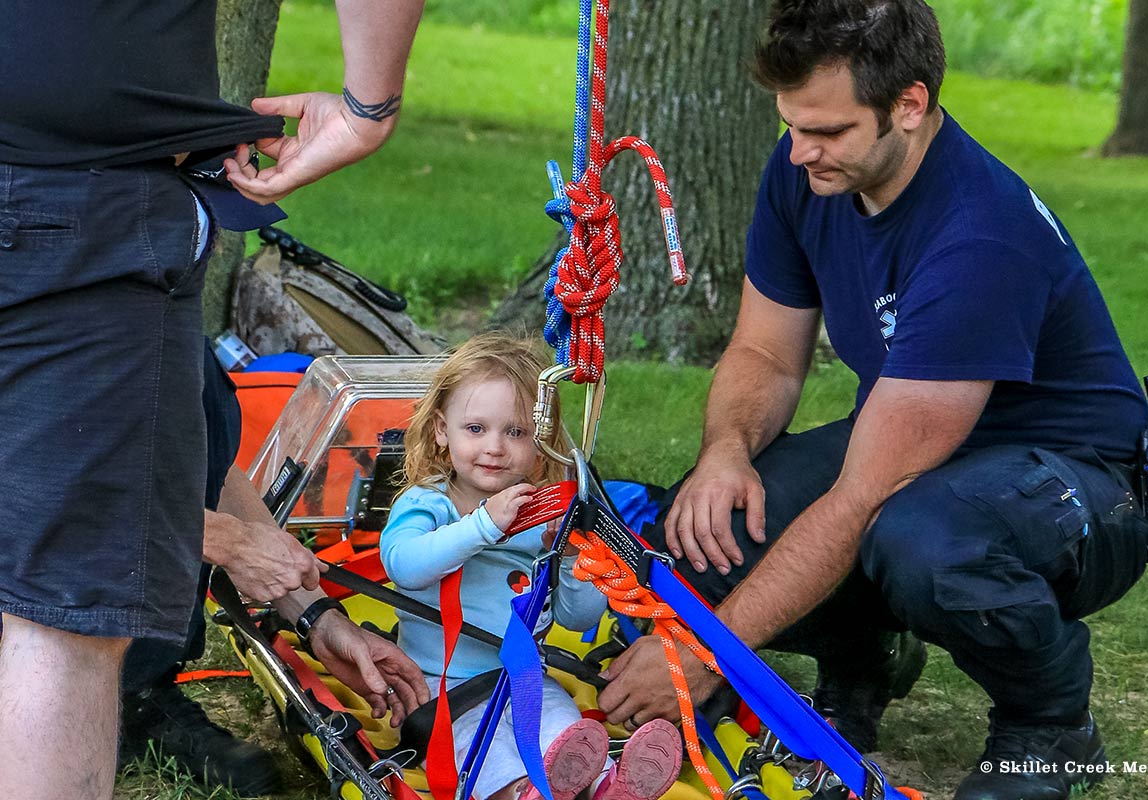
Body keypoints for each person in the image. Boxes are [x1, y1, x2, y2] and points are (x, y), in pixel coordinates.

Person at [595, 3, 1148, 799]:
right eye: (791, 125)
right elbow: (763, 353)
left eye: (826, 131)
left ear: (911, 106)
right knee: (706, 527)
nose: (799, 151)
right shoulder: (805, 171)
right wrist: (724, 453)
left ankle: (1051, 725)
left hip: (1080, 484)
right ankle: (864, 657)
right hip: (917, 450)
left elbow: (863, 498)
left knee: (920, 541)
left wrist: (702, 655)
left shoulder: (980, 235)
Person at [0, 2, 426, 796]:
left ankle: (140, 688)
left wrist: (315, 614)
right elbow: (61, 507)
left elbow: (167, 453)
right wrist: (368, 109)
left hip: (71, 196)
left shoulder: (143, 354)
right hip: (71, 190)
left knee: (202, 410)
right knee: (63, 617)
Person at [379, 333, 683, 800]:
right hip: (446, 693)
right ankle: (525, 793)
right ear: (442, 430)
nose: (496, 448)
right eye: (476, 429)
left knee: (570, 741)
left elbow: (577, 618)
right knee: (491, 759)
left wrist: (569, 557)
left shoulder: (541, 513)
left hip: (525, 678)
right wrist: (483, 525)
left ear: (541, 444)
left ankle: (609, 787)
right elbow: (405, 567)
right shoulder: (429, 502)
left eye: (516, 432)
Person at [120, 346, 429, 795]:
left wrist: (315, 616)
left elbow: (210, 473)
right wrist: (227, 541)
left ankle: (141, 690)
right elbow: (53, 488)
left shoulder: (167, 326)